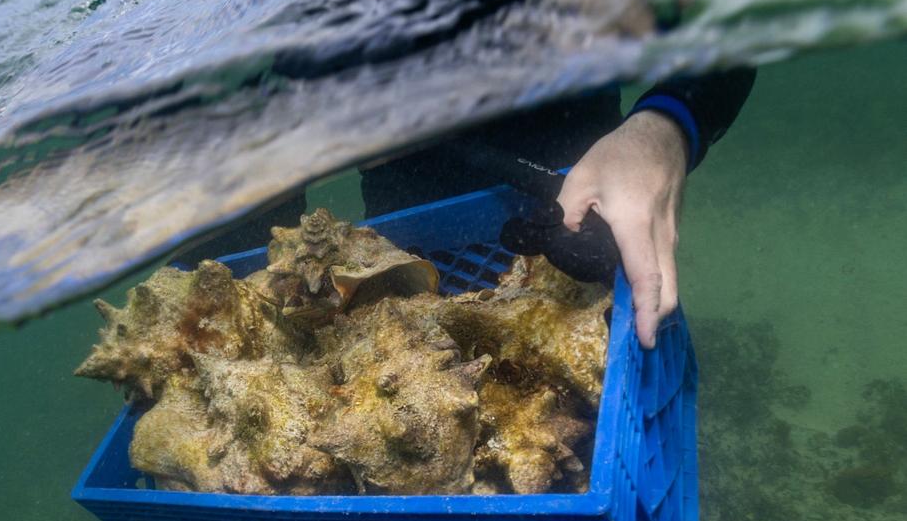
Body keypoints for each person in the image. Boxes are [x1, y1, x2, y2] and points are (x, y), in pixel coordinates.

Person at [181, 68, 755, 349]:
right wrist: (223, 291)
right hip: (408, 170)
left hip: (570, 137)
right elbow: (231, 93)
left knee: (601, 292)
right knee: (418, 304)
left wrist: (665, 125)